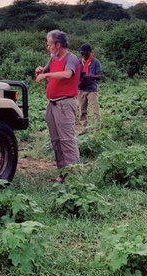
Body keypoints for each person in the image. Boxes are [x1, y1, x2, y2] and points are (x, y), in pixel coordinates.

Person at [35, 29, 81, 182]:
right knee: (56, 140)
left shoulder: (71, 58)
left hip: (65, 104)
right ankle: (63, 173)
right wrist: (41, 71)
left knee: (67, 140)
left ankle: (73, 176)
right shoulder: (53, 58)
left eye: (49, 45)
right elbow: (45, 71)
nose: (48, 48)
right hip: (53, 104)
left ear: (58, 45)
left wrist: (46, 75)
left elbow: (68, 74)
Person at [77, 44, 102, 130]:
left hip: (91, 89)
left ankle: (97, 128)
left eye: (85, 53)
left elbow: (99, 76)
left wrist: (91, 75)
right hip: (80, 89)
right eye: (82, 53)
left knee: (95, 110)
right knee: (82, 111)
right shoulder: (79, 62)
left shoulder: (95, 62)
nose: (83, 55)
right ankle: (84, 128)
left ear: (90, 52)